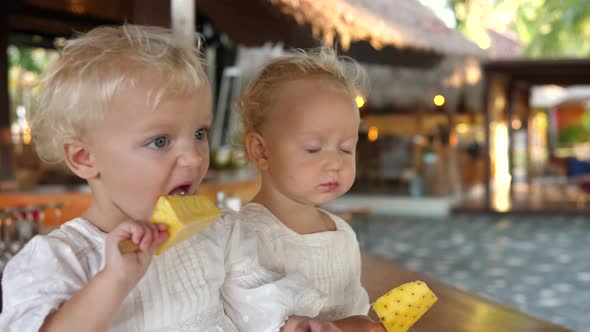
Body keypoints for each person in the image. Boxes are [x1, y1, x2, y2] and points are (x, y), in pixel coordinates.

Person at [0, 25, 338, 332]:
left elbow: (258, 306)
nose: (193, 156)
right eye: (160, 141)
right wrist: (114, 279)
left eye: (199, 133)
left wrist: (291, 325)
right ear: (84, 158)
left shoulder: (217, 236)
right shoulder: (57, 260)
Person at [235, 46, 381, 328]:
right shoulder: (244, 237)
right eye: (313, 149)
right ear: (262, 151)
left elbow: (355, 307)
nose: (335, 163)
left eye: (346, 148)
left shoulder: (342, 234)